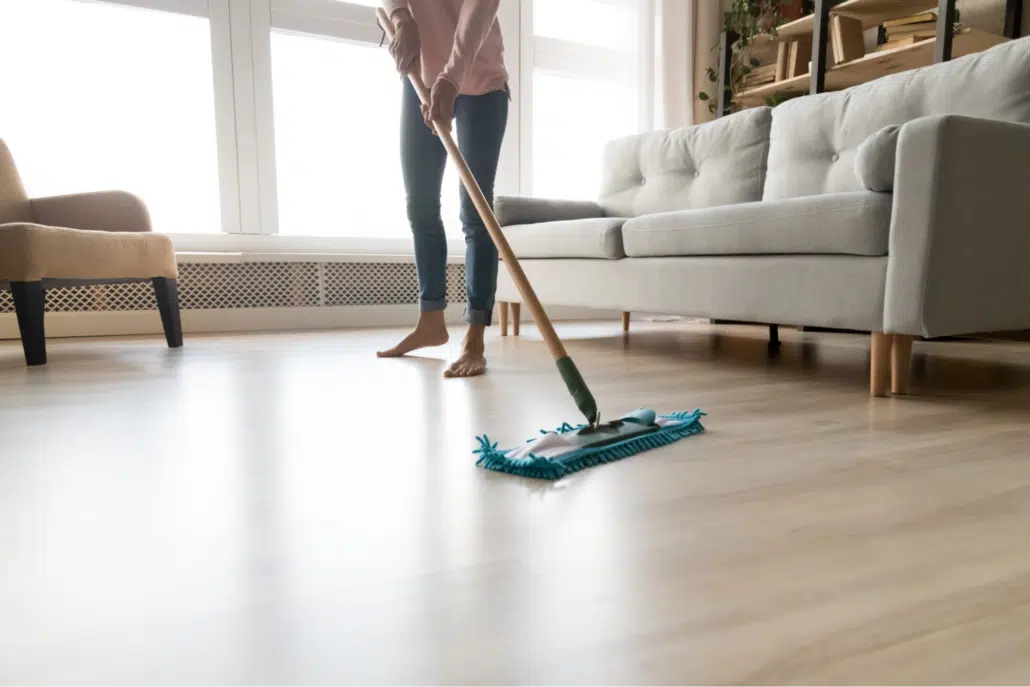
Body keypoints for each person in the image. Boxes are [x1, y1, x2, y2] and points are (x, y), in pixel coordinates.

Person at [377, 0, 508, 378]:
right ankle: (430, 322)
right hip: (422, 76)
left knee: (475, 211)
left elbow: (480, 9)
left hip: (481, 81)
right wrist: (401, 18)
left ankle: (475, 337)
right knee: (420, 205)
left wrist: (451, 77)